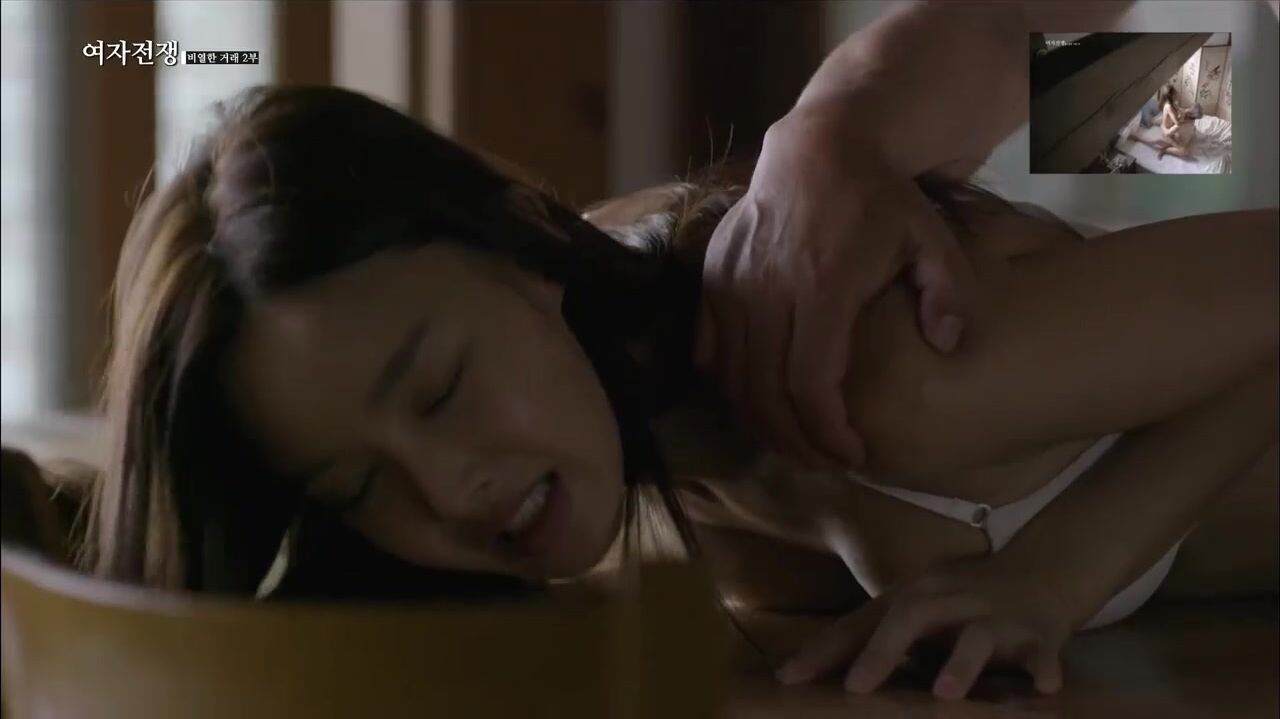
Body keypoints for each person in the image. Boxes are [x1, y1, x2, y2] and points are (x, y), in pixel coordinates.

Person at [82, 84, 1277, 705]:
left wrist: (1052, 575)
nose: (445, 488)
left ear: (519, 248)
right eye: (355, 484)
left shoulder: (873, 365)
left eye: (439, 389)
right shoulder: (634, 421)